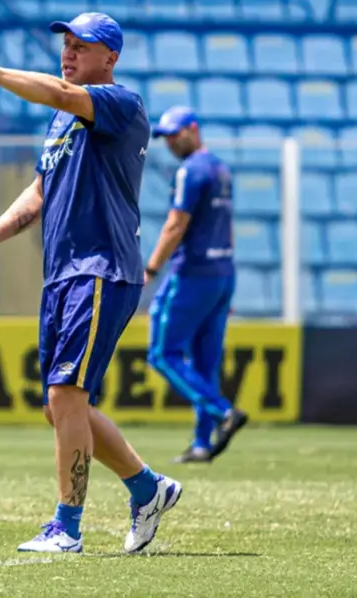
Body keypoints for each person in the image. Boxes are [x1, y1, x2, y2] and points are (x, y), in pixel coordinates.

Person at [0, 12, 182, 555]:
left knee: (66, 394)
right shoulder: (62, 123)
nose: (68, 53)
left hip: (100, 268)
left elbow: (59, 94)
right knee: (60, 405)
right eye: (66, 44)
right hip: (64, 275)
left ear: (110, 58)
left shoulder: (121, 104)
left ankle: (66, 529)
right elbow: (41, 191)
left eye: (81, 46)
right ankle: (148, 487)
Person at [143, 106, 248, 464]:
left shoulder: (190, 171)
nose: (170, 142)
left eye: (175, 134)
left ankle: (223, 412)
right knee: (205, 361)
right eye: (166, 137)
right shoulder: (220, 168)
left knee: (162, 353)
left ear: (193, 129)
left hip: (193, 273)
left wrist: (152, 267)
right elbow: (226, 224)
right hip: (222, 273)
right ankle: (203, 443)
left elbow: (175, 225)